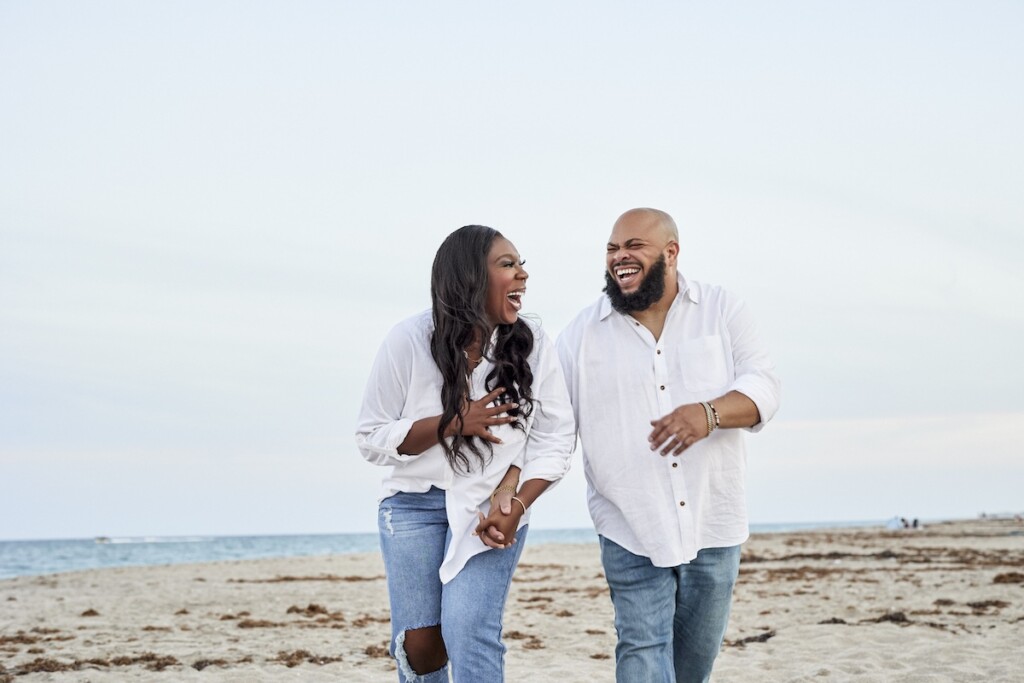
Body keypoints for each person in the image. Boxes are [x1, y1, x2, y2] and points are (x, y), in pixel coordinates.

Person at [556, 208, 781, 682]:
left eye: (634, 246)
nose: (620, 257)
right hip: (628, 524)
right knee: (641, 649)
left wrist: (709, 413)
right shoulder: (580, 335)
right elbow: (552, 430)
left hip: (712, 522)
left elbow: (764, 388)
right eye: (613, 248)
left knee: (692, 665)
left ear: (671, 252)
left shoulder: (722, 310)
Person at [356, 225, 575, 682]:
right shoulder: (408, 340)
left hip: (489, 508)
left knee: (470, 628)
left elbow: (555, 436)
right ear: (470, 278)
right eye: (508, 264)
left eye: (521, 263)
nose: (523, 275)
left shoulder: (531, 342)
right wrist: (452, 424)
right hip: (413, 506)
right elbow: (371, 436)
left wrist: (517, 502)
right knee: (421, 647)